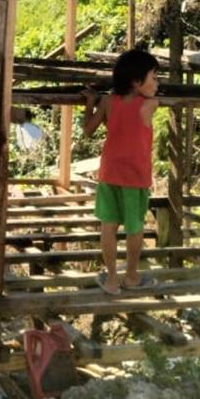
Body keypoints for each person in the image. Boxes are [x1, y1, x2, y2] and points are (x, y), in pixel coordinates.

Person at [82, 48, 160, 295]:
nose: (157, 83)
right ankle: (132, 277)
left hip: (109, 173)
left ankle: (112, 280)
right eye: (154, 77)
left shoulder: (108, 102)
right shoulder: (150, 104)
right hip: (135, 176)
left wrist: (90, 103)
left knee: (108, 226)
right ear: (136, 82)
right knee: (134, 226)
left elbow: (88, 130)